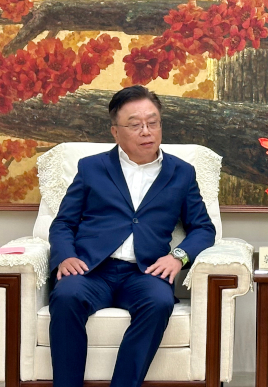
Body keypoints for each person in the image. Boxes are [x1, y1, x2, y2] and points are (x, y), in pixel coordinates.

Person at [48, 85, 216, 387]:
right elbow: (63, 223)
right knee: (66, 295)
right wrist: (66, 256)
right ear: (115, 131)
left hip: (145, 272)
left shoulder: (182, 173)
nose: (146, 131)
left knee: (159, 301)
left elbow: (203, 228)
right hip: (91, 270)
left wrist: (178, 257)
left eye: (153, 122)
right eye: (135, 124)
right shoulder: (91, 168)